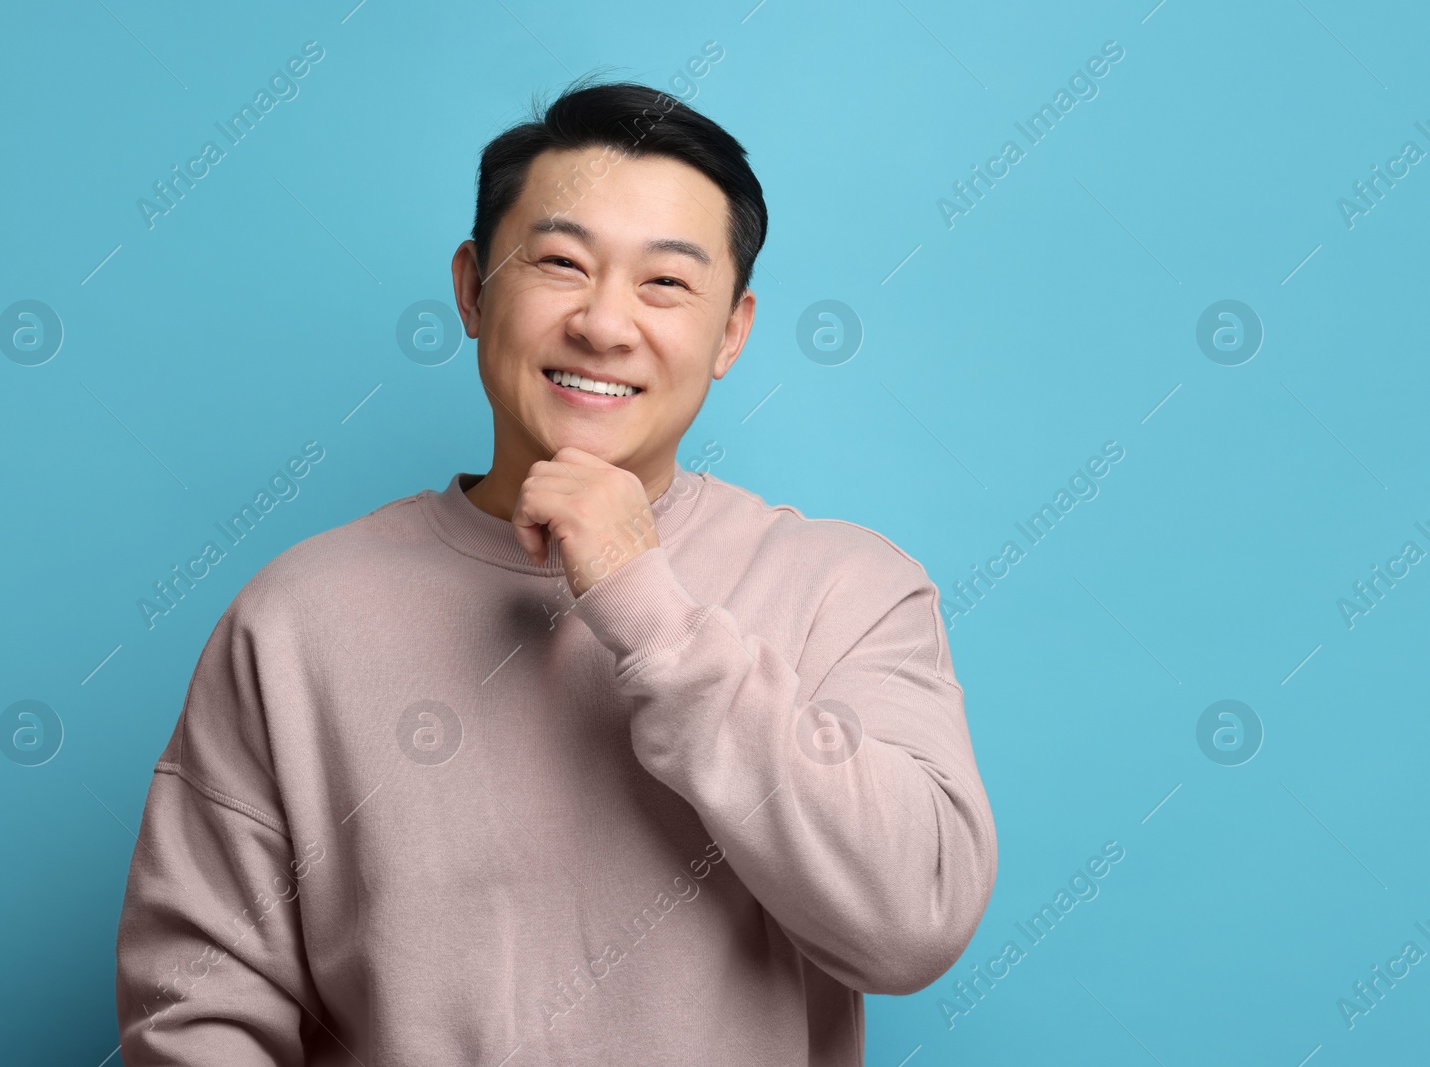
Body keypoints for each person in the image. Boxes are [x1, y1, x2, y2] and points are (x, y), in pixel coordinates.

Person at [114, 77, 996, 1065]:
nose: (604, 324)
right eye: (561, 263)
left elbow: (912, 919)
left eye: (665, 282)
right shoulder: (297, 614)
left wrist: (645, 605)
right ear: (471, 289)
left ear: (731, 332)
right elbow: (198, 1002)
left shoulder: (848, 589)